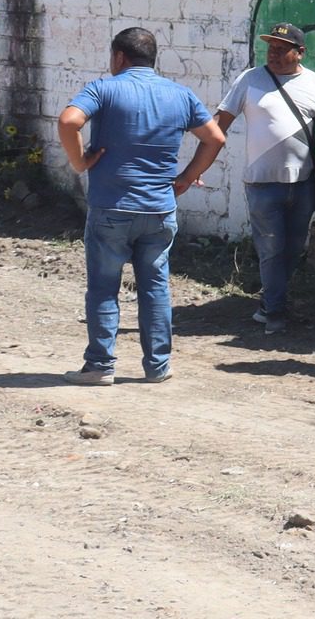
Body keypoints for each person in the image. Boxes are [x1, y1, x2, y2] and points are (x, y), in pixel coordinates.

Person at [58, 27, 225, 385]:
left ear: (119, 57)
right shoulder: (181, 95)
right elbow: (215, 138)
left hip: (112, 208)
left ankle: (100, 366)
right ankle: (158, 366)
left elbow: (69, 121)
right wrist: (186, 177)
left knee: (104, 286)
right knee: (156, 286)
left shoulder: (103, 89)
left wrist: (79, 162)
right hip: (159, 210)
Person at [213, 21, 315, 334]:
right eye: (271, 47)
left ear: (300, 53)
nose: (273, 53)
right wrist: (199, 166)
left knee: (293, 248)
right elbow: (220, 123)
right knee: (271, 248)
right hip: (262, 183)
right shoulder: (250, 79)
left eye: (281, 49)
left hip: (303, 185)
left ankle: (270, 302)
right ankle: (275, 312)